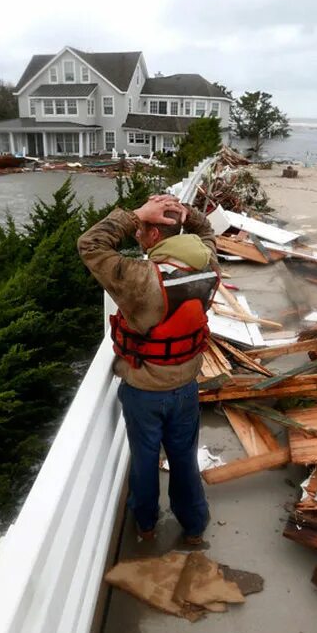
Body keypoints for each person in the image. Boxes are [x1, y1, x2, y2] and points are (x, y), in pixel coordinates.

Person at [78, 194, 220, 545]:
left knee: (144, 462)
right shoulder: (209, 262)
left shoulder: (140, 278)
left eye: (141, 230)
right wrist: (184, 214)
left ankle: (145, 525)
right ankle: (194, 526)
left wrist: (136, 213)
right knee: (184, 459)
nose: (137, 235)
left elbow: (90, 244)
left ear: (155, 235)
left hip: (144, 391)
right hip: (186, 386)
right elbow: (206, 231)